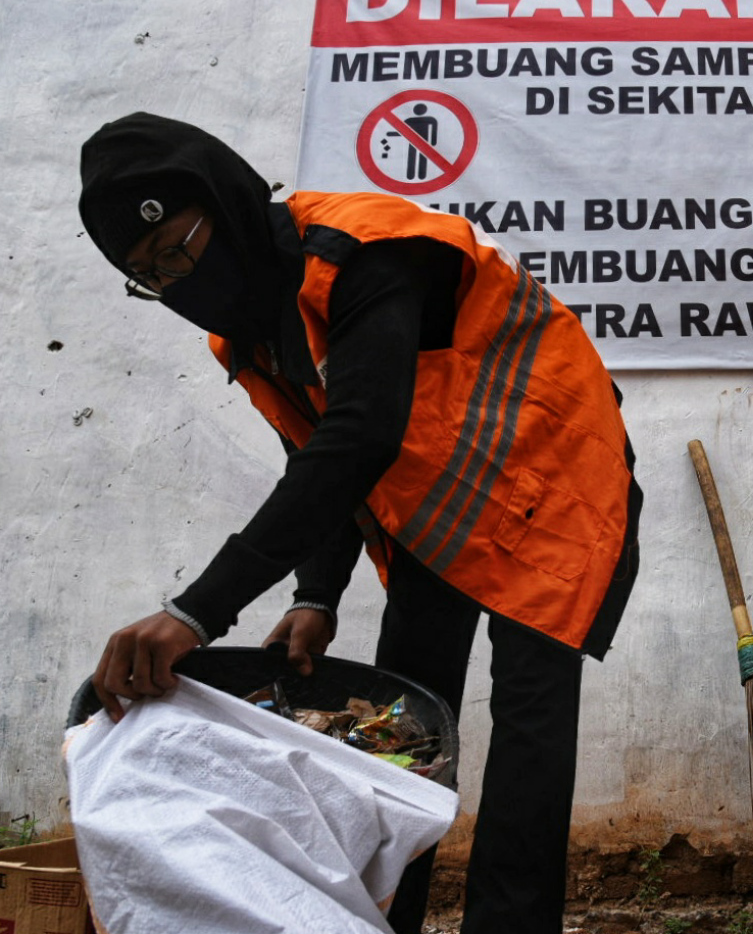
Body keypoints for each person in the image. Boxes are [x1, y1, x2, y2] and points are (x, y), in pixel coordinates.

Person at [77, 112, 643, 934]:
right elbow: (318, 451)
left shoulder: (365, 250)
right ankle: (387, 920)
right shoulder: (248, 334)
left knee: (530, 717)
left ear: (228, 207)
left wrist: (196, 610)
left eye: (176, 252)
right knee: (406, 719)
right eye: (150, 276)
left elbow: (359, 435)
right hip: (437, 498)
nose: (176, 283)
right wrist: (317, 594)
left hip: (554, 478)